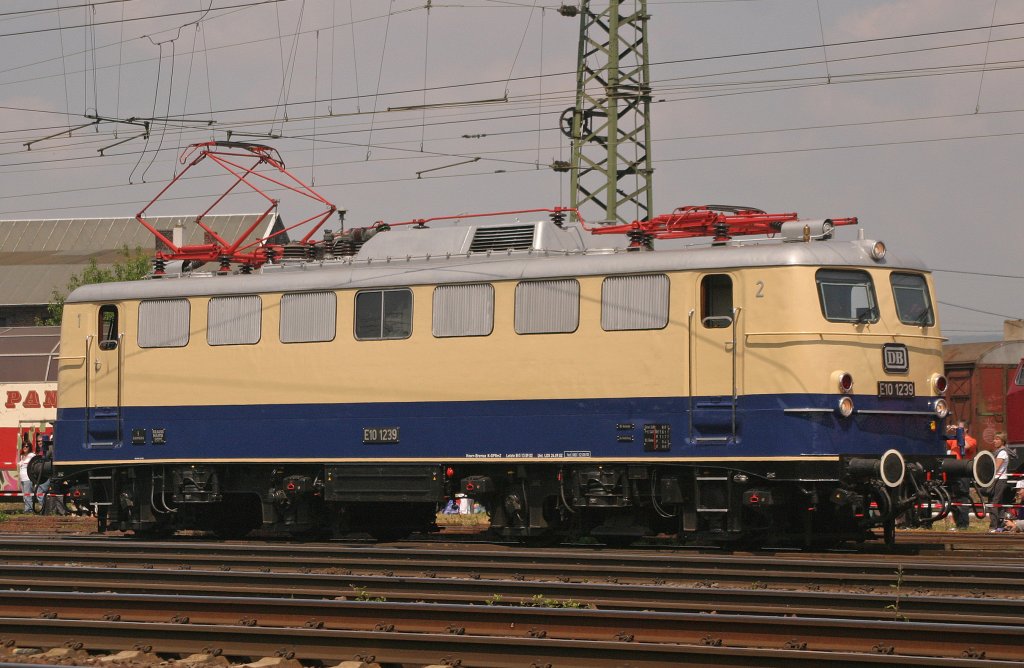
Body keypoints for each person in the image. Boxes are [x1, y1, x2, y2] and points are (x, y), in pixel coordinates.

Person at [945, 422, 977, 530]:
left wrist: (959, 434)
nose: (956, 429)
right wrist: (947, 432)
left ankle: (963, 524)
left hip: (963, 471)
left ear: (966, 429)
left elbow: (965, 445)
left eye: (960, 427)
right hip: (953, 470)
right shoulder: (953, 439)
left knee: (962, 497)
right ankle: (957, 523)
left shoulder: (971, 440)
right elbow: (943, 443)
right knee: (953, 497)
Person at [989, 432, 1011, 532]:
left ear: (1002, 441)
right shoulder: (998, 452)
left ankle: (993, 526)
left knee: (994, 502)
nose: (994, 441)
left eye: (997, 439)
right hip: (999, 480)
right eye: (994, 439)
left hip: (999, 480)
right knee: (999, 503)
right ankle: (1000, 525)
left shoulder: (1002, 452)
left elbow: (996, 468)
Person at [17, 442, 35, 514]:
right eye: (24, 446)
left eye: (27, 446)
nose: (25, 447)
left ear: (30, 447)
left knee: (28, 495)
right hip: (22, 479)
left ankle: (29, 509)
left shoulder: (32, 455)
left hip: (28, 478)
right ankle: (26, 508)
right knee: (24, 495)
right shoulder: (22, 456)